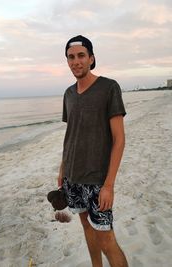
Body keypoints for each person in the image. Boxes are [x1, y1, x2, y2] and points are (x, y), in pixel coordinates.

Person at [57, 35, 128, 267]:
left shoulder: (109, 88)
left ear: (91, 58)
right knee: (87, 228)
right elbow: (71, 137)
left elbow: (119, 139)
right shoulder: (68, 94)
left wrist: (109, 185)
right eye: (71, 57)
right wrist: (62, 170)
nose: (75, 61)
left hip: (98, 181)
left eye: (81, 56)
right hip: (73, 177)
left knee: (106, 239)